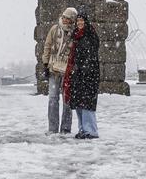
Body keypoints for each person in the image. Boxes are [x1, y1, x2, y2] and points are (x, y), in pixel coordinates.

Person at [64, 11, 101, 139]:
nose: (80, 23)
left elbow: (91, 55)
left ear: (86, 22)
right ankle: (83, 129)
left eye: (82, 20)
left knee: (87, 103)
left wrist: (85, 68)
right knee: (79, 102)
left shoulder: (90, 35)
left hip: (89, 74)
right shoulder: (77, 36)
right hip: (78, 74)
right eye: (78, 20)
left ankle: (91, 130)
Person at [41, 7, 76, 134]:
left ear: (72, 20)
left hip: (67, 71)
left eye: (68, 18)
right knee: (53, 99)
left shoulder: (74, 33)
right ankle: (52, 128)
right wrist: (45, 64)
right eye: (64, 17)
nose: (65, 20)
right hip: (54, 69)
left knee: (67, 101)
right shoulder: (54, 29)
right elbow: (47, 46)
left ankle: (66, 129)